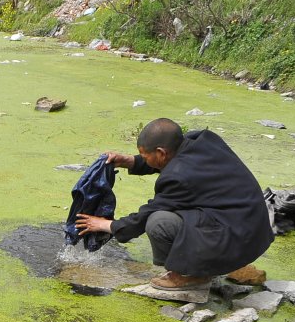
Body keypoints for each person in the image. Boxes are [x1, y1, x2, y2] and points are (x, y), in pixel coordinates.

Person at [75, 118, 274, 290]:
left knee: (158, 222)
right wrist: (130, 161)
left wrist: (106, 225)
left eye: (144, 156)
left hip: (238, 237)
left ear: (161, 152)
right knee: (175, 215)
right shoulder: (201, 140)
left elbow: (145, 216)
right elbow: (173, 161)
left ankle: (188, 277)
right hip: (252, 227)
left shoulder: (178, 178)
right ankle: (211, 264)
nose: (143, 159)